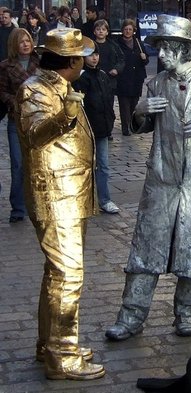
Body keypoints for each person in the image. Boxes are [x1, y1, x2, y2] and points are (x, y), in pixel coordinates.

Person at [105, 14, 191, 341]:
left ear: (185, 50)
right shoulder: (155, 83)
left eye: (167, 48)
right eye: (160, 48)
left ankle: (188, 315)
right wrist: (140, 110)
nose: (161, 55)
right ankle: (131, 317)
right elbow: (142, 125)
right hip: (161, 181)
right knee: (145, 251)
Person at [14, 28, 105, 380]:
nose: (84, 60)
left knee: (57, 274)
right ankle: (63, 356)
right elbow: (36, 135)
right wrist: (66, 114)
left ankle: (50, 344)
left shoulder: (59, 86)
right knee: (68, 275)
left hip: (71, 192)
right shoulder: (35, 89)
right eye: (81, 56)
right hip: (55, 195)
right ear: (70, 62)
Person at [73, 42, 119, 214]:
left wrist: (111, 120)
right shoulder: (81, 78)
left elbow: (108, 100)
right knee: (86, 166)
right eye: (90, 55)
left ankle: (104, 199)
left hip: (102, 128)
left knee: (104, 166)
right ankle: (84, 199)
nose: (94, 58)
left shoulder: (102, 75)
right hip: (87, 129)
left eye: (96, 54)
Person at [0, 28, 39, 223]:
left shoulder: (40, 63)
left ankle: (37, 204)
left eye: (28, 40)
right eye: (22, 41)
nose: (25, 44)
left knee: (36, 164)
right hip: (16, 121)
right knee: (18, 164)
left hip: (37, 120)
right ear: (15, 44)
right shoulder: (6, 66)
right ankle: (18, 208)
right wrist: (14, 101)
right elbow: (2, 91)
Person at [93, 18, 125, 140]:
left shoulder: (113, 45)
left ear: (107, 32)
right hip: (94, 79)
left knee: (108, 106)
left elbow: (121, 59)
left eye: (103, 29)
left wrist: (117, 69)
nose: (100, 31)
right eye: (98, 29)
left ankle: (108, 130)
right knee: (95, 105)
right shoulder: (91, 45)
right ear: (94, 31)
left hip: (109, 81)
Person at [116, 18, 148, 136]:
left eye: (130, 29)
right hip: (123, 78)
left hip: (136, 78)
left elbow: (146, 61)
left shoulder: (138, 43)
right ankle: (125, 127)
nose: (128, 31)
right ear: (122, 30)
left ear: (133, 30)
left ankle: (131, 125)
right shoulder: (117, 44)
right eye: (126, 29)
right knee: (124, 104)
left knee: (134, 103)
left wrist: (144, 58)